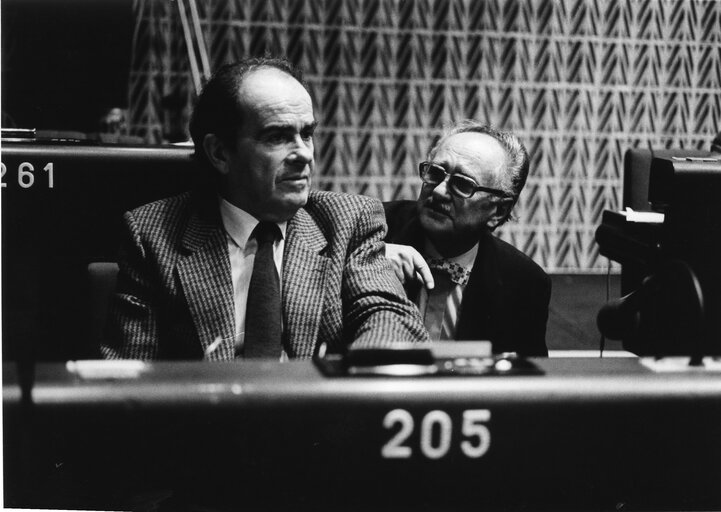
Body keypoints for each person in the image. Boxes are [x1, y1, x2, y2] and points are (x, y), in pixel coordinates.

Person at [101, 57, 428, 361]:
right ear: (219, 153)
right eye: (277, 137)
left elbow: (390, 317)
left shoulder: (348, 221)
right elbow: (130, 372)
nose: (304, 154)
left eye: (307, 134)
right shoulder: (152, 234)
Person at [383, 121, 550, 356]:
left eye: (462, 184)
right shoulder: (374, 230)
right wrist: (374, 257)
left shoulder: (524, 282)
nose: (440, 191)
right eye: (435, 173)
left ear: (498, 211)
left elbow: (525, 383)